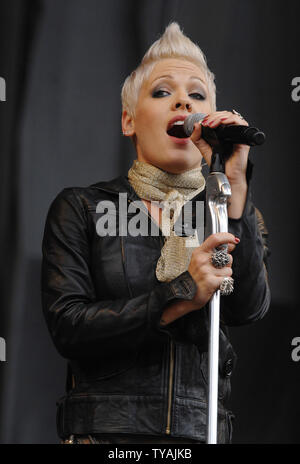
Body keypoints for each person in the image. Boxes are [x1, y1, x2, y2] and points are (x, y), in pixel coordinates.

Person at [41, 22, 270, 444]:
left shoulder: (226, 210)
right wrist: (182, 294)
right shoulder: (82, 208)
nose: (184, 100)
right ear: (129, 120)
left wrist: (235, 184)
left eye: (197, 95)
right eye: (163, 92)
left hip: (198, 435)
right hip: (107, 437)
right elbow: (68, 325)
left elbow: (248, 307)